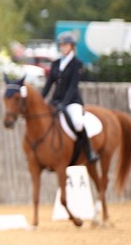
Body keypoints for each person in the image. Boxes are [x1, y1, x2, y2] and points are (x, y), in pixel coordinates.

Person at [42, 30, 99, 164]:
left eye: (65, 45)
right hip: (56, 101)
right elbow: (48, 84)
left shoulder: (77, 64)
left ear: (72, 46)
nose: (62, 47)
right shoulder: (56, 63)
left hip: (72, 101)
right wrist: (41, 99)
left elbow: (73, 87)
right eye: (61, 45)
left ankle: (89, 151)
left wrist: (65, 103)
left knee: (78, 123)